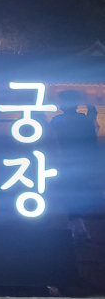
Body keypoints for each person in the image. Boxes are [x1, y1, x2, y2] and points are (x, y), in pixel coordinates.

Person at [50, 90, 104, 241]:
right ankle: (78, 229)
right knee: (75, 194)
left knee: (70, 193)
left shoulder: (57, 120)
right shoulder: (82, 120)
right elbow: (92, 139)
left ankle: (77, 229)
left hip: (65, 161)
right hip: (80, 162)